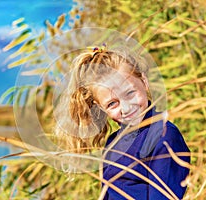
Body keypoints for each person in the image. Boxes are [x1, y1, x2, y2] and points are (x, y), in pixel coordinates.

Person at [54, 46, 190, 199]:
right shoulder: (112, 145)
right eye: (112, 104)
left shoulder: (163, 136)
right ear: (100, 108)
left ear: (144, 82)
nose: (126, 107)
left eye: (130, 93)